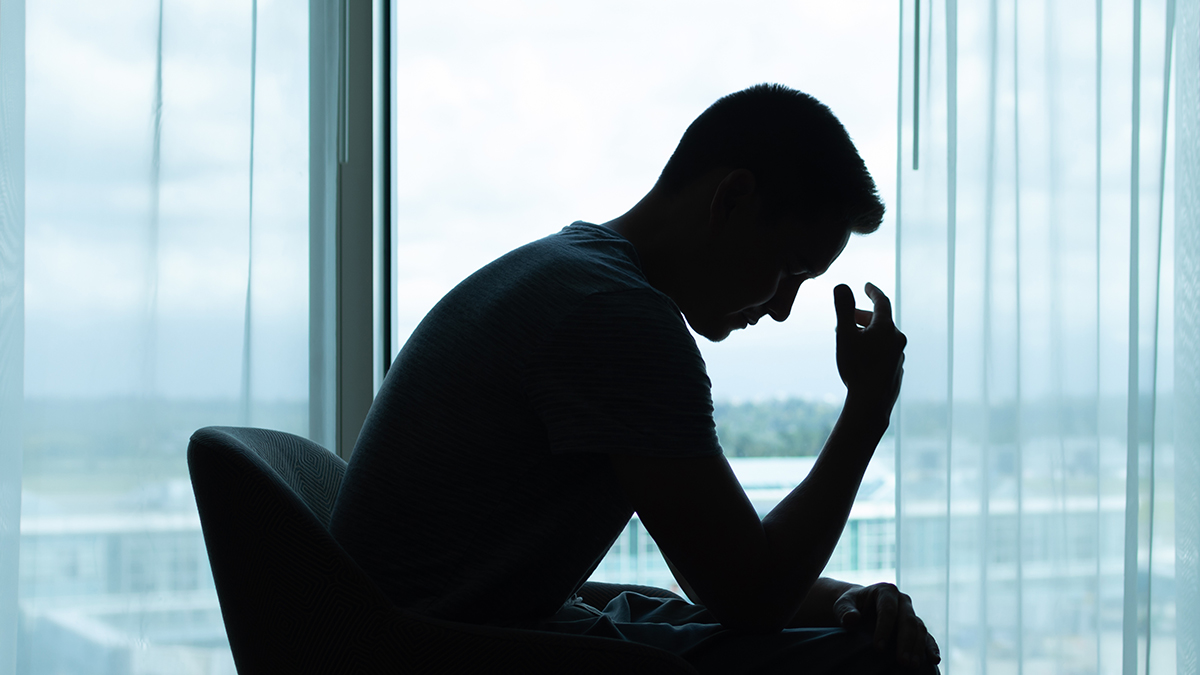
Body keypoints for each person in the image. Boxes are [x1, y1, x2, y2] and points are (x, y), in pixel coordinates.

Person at [330, 83, 939, 674]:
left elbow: (723, 573)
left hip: (423, 634)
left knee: (844, 632)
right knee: (883, 663)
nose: (782, 308)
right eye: (789, 269)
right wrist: (868, 410)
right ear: (731, 199)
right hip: (440, 654)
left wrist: (841, 599)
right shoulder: (615, 315)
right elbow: (753, 598)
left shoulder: (570, 271)